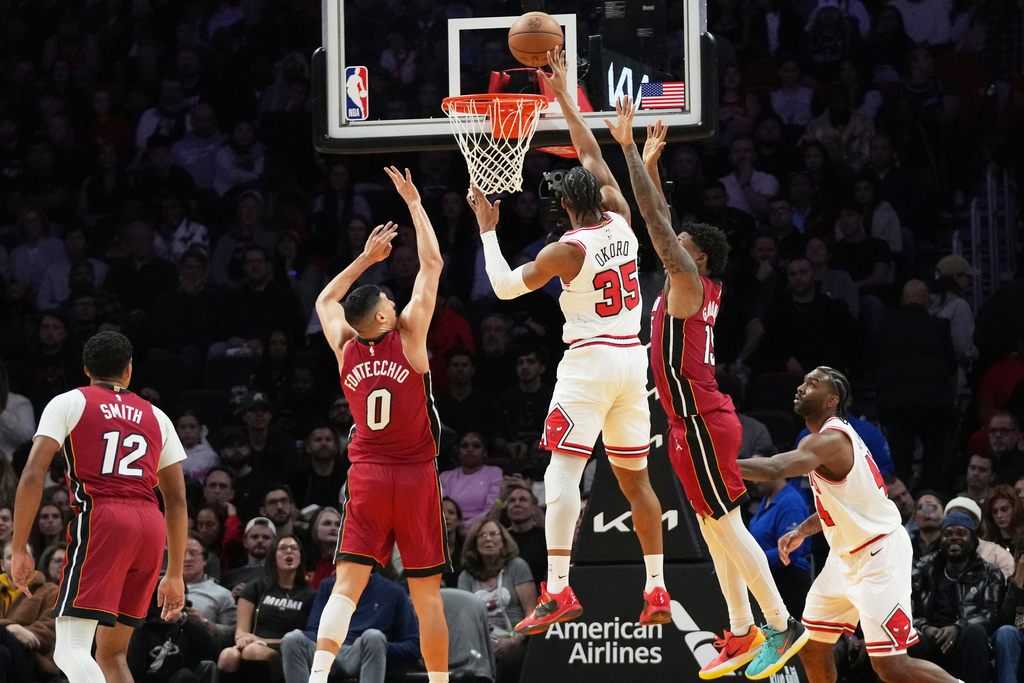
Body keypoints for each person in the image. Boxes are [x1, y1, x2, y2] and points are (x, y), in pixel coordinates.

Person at [463, 46, 670, 639]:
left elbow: (502, 289)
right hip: (633, 364)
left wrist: (487, 231)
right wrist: (562, 98)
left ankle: (557, 590)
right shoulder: (623, 219)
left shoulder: (563, 251)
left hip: (588, 365)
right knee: (637, 483)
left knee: (559, 476)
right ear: (599, 199)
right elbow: (590, 154)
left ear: (561, 206)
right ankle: (656, 587)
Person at [605, 101, 801, 679]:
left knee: (729, 527)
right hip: (686, 424)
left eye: (681, 244)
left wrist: (627, 152)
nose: (670, 248)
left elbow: (657, 224)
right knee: (714, 531)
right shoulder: (683, 283)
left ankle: (777, 621)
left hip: (706, 419)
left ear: (700, 258)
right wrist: (650, 162)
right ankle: (740, 631)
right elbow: (663, 218)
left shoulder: (691, 285)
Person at [308, 166, 450, 683]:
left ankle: (319, 673)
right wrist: (414, 202)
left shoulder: (344, 347)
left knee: (345, 584)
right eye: (390, 301)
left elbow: (326, 299)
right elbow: (432, 262)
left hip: (366, 474)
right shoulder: (411, 337)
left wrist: (366, 259)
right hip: (413, 473)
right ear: (386, 320)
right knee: (426, 593)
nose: (395, 300)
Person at [738, 366, 962, 683]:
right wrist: (802, 530)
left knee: (891, 667)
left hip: (878, 556)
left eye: (812, 384)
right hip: (844, 559)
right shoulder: (826, 439)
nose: (801, 387)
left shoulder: (831, 439)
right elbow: (844, 505)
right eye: (802, 382)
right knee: (812, 648)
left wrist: (721, 465)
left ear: (832, 399)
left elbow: (777, 467)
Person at [10, 330, 188, 683]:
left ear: (86, 368)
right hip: (150, 525)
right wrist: (176, 573)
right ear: (129, 370)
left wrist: (18, 547)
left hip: (104, 518)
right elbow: (178, 500)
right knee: (111, 654)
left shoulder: (69, 402)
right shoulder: (158, 416)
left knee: (69, 649)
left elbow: (32, 475)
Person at [909, 512, 1003, 683]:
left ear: (973, 540)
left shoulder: (990, 573)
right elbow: (906, 611)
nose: (954, 538)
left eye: (961, 533)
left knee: (975, 632)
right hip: (930, 638)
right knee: (909, 638)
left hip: (966, 641)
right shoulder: (922, 570)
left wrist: (959, 626)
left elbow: (993, 613)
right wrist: (924, 628)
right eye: (948, 534)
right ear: (941, 540)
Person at [281, 573, 419, 683]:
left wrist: (383, 646)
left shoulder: (393, 591)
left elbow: (414, 646)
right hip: (327, 650)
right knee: (292, 638)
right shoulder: (328, 585)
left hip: (363, 653)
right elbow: (313, 630)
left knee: (373, 636)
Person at [218, 535, 315, 681]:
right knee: (228, 656)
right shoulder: (256, 587)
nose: (289, 552)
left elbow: (308, 637)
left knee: (253, 651)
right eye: (283, 548)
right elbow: (241, 631)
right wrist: (243, 639)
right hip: (253, 643)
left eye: (294, 548)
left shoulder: (310, 595)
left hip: (288, 649)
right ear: (273, 556)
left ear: (300, 556)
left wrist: (263, 641)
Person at [457, 519, 538, 683]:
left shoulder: (517, 566)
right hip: (481, 642)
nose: (488, 539)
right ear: (474, 543)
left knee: (510, 663)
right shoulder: (466, 576)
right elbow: (463, 620)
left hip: (516, 638)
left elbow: (532, 612)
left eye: (494, 534)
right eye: (482, 535)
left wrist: (515, 640)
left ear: (503, 540)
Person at [0, 539, 59, 682]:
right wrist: (11, 628)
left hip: (33, 659)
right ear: (2, 565)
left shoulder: (49, 591)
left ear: (32, 561)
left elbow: (49, 632)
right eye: (11, 557)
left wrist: (7, 631)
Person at [439, 431, 502, 530]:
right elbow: (443, 507)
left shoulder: (494, 473)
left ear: (485, 452)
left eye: (476, 446)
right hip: (450, 530)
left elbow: (492, 507)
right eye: (465, 446)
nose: (470, 449)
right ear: (458, 451)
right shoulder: (445, 477)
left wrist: (465, 526)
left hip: (482, 528)